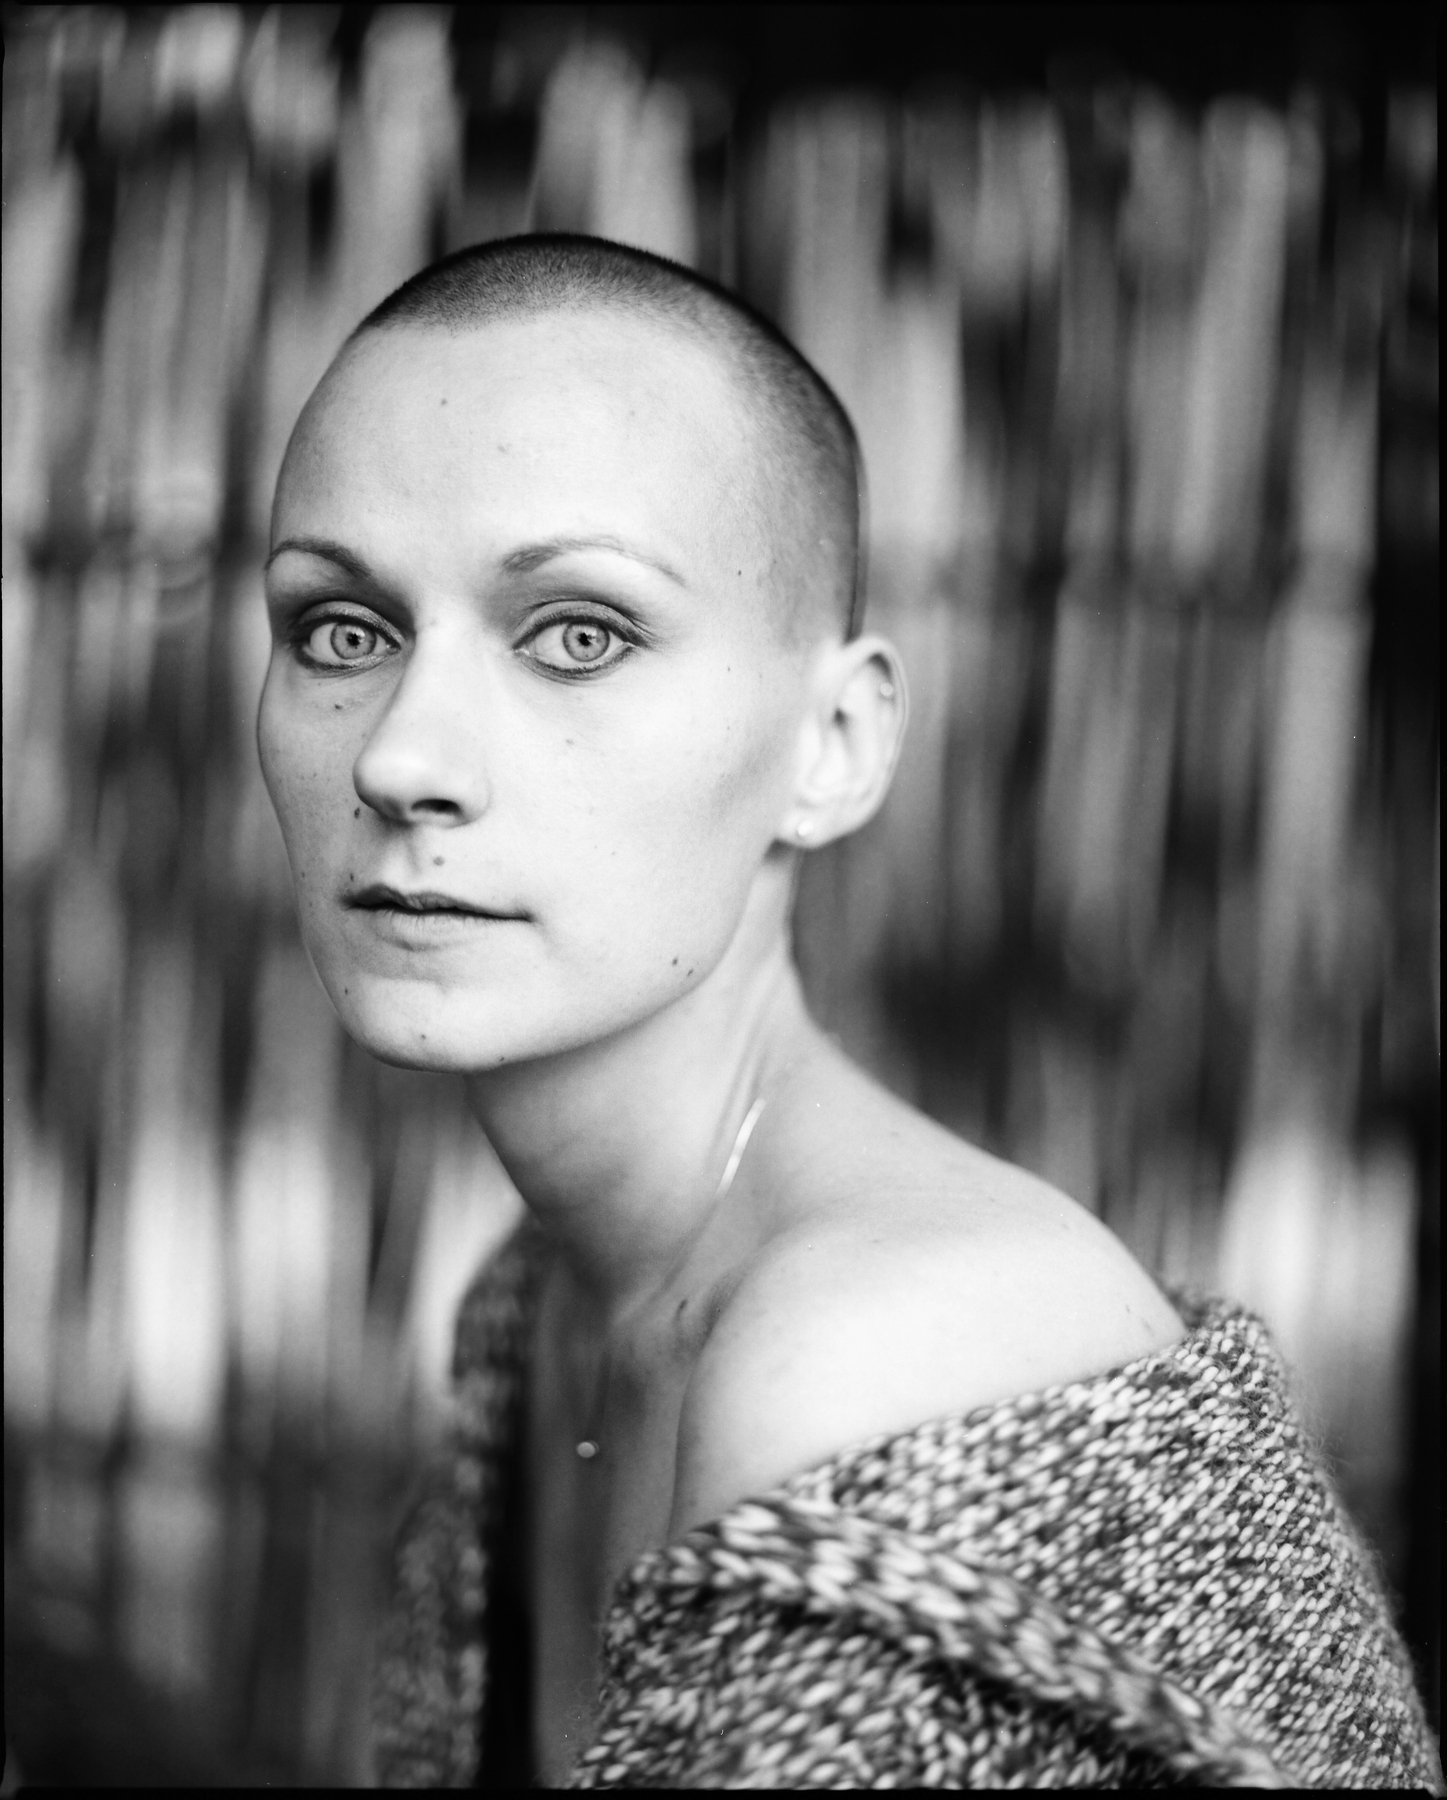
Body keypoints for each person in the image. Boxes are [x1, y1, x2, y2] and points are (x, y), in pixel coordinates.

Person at [257, 234, 1441, 1789]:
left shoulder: (878, 1355)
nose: (401, 757)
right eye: (341, 630)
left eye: (580, 635)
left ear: (834, 743)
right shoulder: (537, 1308)